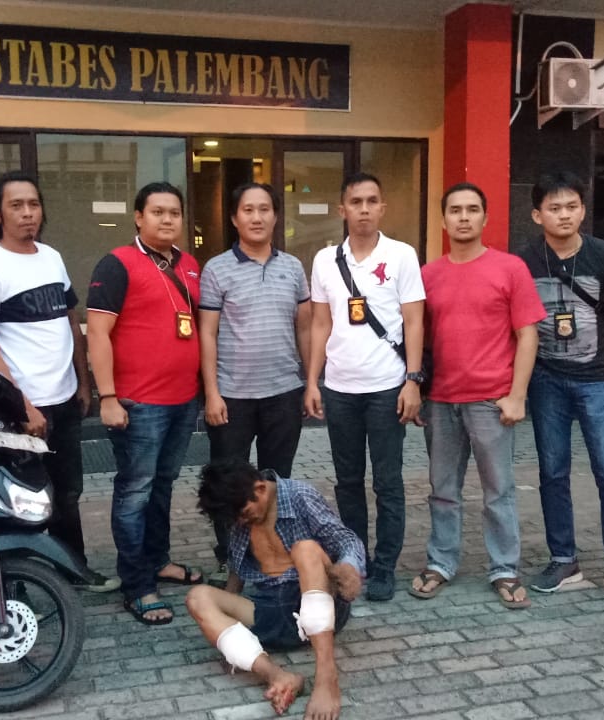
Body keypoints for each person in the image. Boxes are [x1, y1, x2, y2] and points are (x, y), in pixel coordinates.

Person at [0, 170, 118, 593]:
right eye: (16, 205)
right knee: (18, 497)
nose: (28, 213)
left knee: (67, 493)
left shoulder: (51, 258)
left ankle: (73, 569)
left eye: (33, 204)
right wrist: (24, 405)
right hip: (17, 410)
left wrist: (83, 382)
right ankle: (12, 585)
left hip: (64, 399)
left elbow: (70, 320)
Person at [408, 182, 546, 609]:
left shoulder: (510, 269)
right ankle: (441, 562)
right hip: (441, 400)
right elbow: (417, 337)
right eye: (455, 210)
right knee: (442, 489)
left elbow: (528, 335)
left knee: (498, 490)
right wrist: (417, 388)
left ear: (485, 218)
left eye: (472, 209)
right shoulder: (428, 275)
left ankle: (504, 568)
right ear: (443, 219)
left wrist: (517, 395)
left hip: (492, 401)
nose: (464, 217)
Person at [518, 172, 604, 612]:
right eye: (554, 208)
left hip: (597, 379)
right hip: (546, 380)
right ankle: (563, 559)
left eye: (572, 206)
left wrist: (602, 349)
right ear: (537, 215)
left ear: (583, 210)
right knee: (552, 472)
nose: (564, 215)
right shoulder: (525, 260)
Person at [87, 181, 205, 625]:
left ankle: (158, 561)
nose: (167, 219)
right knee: (135, 491)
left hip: (182, 399)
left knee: (162, 486)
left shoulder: (189, 265)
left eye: (174, 212)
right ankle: (137, 586)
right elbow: (98, 334)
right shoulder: (117, 263)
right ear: (138, 217)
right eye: (157, 212)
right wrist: (107, 396)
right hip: (137, 403)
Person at [304, 172, 425, 602]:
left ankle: (386, 566)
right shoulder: (325, 260)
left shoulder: (402, 255)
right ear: (343, 210)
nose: (364, 209)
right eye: (356, 202)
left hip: (388, 387)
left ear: (383, 208)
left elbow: (414, 321)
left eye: (372, 201)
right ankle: (357, 559)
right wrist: (313, 380)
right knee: (348, 482)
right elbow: (320, 323)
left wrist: (413, 380)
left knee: (388, 482)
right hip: (339, 389)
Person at [187, 461, 363, 720]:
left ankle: (327, 680)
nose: (241, 522)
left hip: (318, 601)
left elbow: (346, 539)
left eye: (244, 514)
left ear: (260, 489)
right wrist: (224, 618)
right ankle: (278, 676)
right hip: (271, 609)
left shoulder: (299, 495)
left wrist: (349, 568)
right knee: (198, 596)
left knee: (305, 549)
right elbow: (237, 566)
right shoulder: (238, 510)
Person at [200, 182, 311, 585]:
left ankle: (270, 551)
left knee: (275, 480)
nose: (257, 217)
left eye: (265, 209)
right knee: (228, 482)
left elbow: (304, 327)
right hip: (232, 396)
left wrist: (310, 382)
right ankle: (231, 557)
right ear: (235, 218)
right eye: (248, 210)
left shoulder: (293, 267)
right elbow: (207, 333)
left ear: (275, 216)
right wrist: (212, 393)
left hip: (283, 391)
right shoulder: (216, 269)